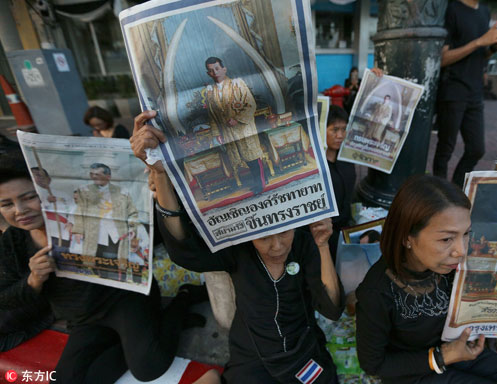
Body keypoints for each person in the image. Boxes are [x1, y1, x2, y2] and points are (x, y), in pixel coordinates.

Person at [130, 110, 344, 384]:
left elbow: (331, 308)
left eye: (284, 233)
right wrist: (160, 174)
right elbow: (184, 249)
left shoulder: (304, 241)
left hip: (300, 351)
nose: (277, 246)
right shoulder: (238, 249)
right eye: (264, 237)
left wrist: (323, 246)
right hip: (252, 355)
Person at [0, 155, 207, 383]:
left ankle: (182, 300)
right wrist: (33, 280)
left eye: (29, 198)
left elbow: (156, 234)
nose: (19, 210)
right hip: (83, 319)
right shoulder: (13, 240)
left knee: (149, 368)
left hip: (125, 300)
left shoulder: (87, 213)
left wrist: (158, 196)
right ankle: (134, 341)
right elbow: (5, 298)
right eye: (6, 204)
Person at [355, 175, 497, 384]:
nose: (461, 251)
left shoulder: (450, 265)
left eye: (466, 234)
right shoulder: (376, 292)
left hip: (462, 351)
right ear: (407, 237)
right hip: (417, 371)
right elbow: (373, 364)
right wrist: (441, 356)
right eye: (446, 239)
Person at [433, 0, 497, 186]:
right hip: (453, 89)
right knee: (446, 147)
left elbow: (480, 54)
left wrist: (493, 47)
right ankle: (437, 194)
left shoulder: (484, 11)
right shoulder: (452, 10)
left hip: (475, 90)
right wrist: (479, 41)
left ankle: (456, 188)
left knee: (477, 148)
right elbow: (442, 59)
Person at [204, 56, 265, 194]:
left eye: (217, 68)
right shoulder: (210, 92)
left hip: (244, 128)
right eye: (211, 71)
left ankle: (260, 183)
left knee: (252, 156)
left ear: (224, 69)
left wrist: (237, 119)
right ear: (208, 74)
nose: (215, 72)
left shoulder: (237, 84)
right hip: (228, 132)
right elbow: (212, 116)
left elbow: (251, 104)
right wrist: (216, 133)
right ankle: (258, 181)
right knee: (242, 158)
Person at [71, 163, 138, 277]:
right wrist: (78, 231)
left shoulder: (122, 192)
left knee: (114, 264)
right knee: (94, 263)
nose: (93, 177)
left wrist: (132, 228)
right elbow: (79, 212)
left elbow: (133, 213)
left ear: (108, 176)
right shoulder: (84, 191)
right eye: (91, 174)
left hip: (116, 235)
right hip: (93, 234)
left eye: (97, 174)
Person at [325, 105, 356, 259]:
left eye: (344, 129)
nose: (340, 135)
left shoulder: (346, 159)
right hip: (326, 234)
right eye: (334, 129)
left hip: (346, 227)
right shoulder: (317, 166)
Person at [30, 167, 72, 248]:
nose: (40, 178)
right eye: (36, 175)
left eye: (42, 176)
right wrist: (47, 202)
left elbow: (73, 210)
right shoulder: (32, 196)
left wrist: (71, 222)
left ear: (49, 179)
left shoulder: (62, 194)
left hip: (64, 230)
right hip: (43, 235)